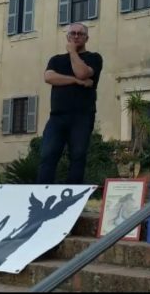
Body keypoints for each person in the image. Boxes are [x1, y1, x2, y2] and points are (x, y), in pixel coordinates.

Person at [36, 23, 103, 184]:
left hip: (82, 116)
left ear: (86, 38)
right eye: (72, 33)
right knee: (47, 155)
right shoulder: (56, 60)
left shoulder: (94, 58)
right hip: (57, 117)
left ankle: (72, 199)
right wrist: (76, 81)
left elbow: (82, 72)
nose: (76, 36)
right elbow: (49, 77)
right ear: (67, 37)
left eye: (80, 34)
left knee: (78, 156)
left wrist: (72, 51)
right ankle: (40, 196)